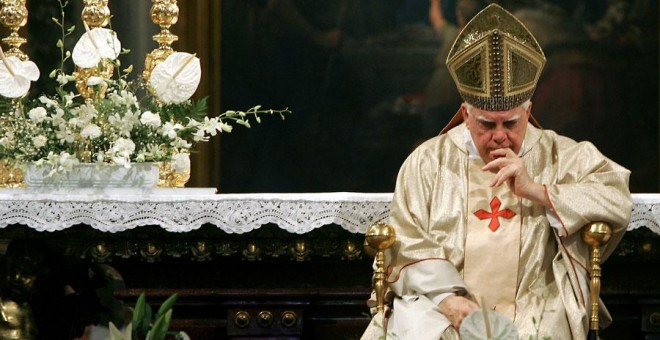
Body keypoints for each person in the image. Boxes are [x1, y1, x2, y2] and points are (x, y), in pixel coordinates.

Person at [361, 4, 632, 339]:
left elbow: (616, 198)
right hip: (443, 306)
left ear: (529, 110)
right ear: (465, 113)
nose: (501, 135)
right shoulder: (430, 160)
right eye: (487, 124)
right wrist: (450, 299)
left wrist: (537, 190)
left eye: (512, 123)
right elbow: (407, 239)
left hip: (533, 300)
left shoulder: (558, 154)